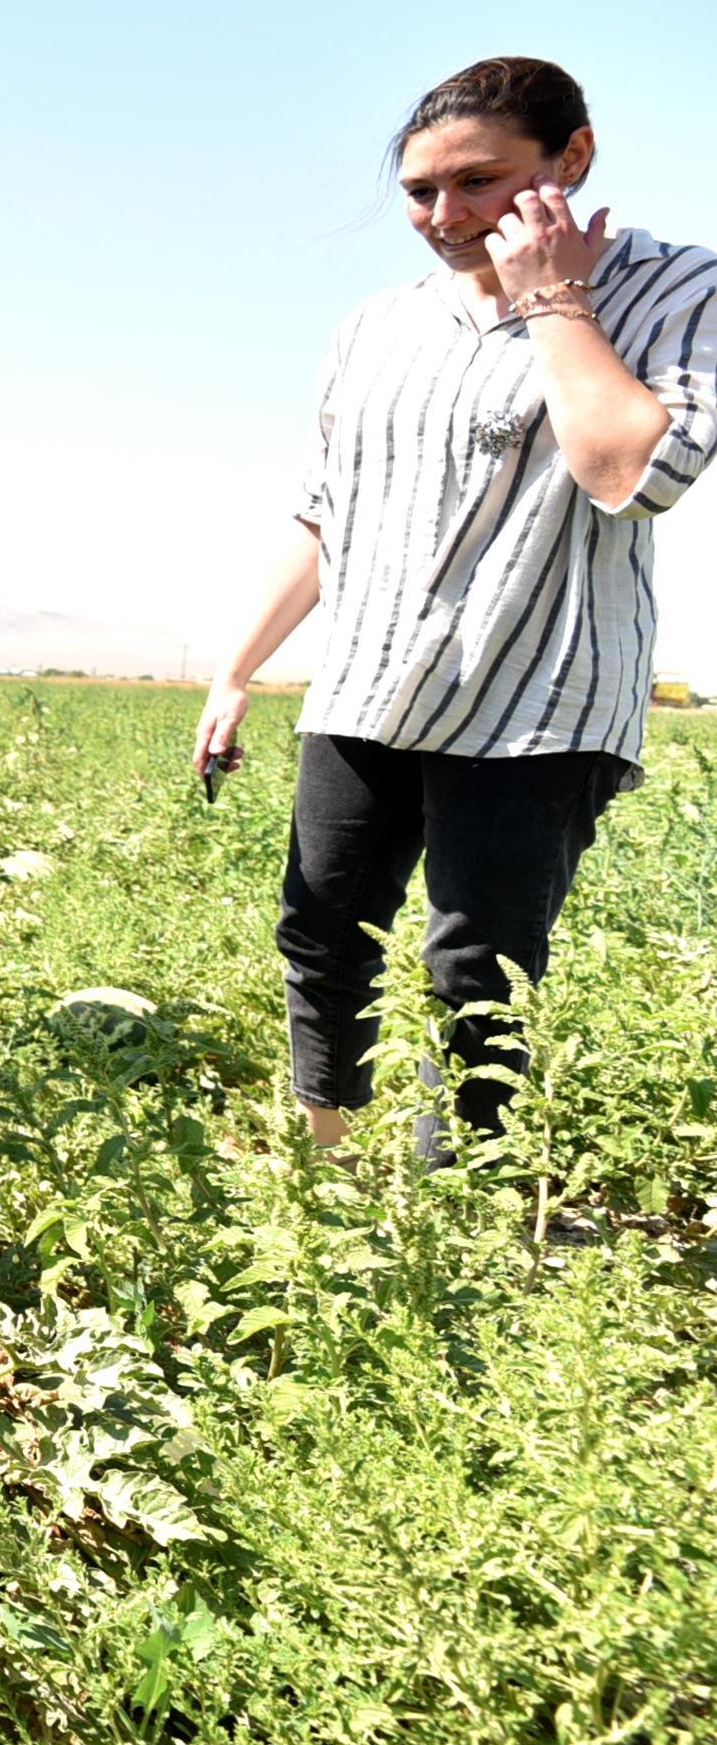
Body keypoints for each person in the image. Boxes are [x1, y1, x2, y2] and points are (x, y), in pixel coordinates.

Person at [193, 56, 713, 1150]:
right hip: (367, 681)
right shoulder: (376, 326)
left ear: (570, 158)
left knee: (476, 967)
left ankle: (464, 1202)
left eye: (478, 183)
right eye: (421, 192)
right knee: (323, 929)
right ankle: (325, 1170)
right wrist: (236, 673)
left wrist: (552, 299)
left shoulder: (680, 293)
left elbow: (632, 475)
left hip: (540, 696)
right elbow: (324, 517)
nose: (445, 216)